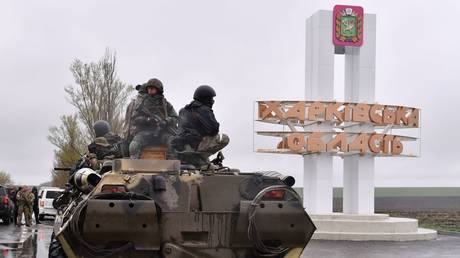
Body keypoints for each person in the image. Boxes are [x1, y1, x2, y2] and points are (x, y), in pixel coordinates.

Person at [173, 85, 229, 168]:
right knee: (224, 138)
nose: (212, 101)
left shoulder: (183, 110)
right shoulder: (204, 109)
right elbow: (214, 129)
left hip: (181, 146)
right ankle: (201, 160)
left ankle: (201, 160)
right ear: (206, 99)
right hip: (196, 145)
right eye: (211, 98)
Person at [128, 78, 178, 159]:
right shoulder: (142, 104)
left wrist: (165, 121)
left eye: (152, 88)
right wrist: (146, 120)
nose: (150, 90)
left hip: (162, 133)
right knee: (134, 145)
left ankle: (170, 166)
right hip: (146, 132)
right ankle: (133, 166)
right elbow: (134, 119)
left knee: (173, 143)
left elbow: (176, 118)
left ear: (158, 90)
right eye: (148, 88)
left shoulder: (165, 104)